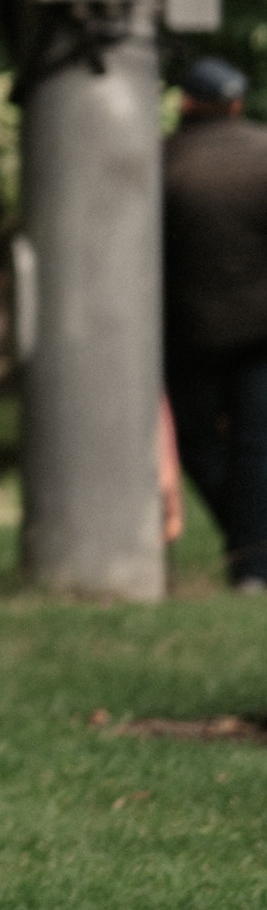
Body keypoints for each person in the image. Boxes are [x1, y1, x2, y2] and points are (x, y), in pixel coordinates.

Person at [161, 55, 267, 590]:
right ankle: (254, 560)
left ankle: (251, 551)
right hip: (260, 338)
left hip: (188, 336)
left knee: (199, 442)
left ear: (185, 103)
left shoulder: (162, 161)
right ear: (237, 104)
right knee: (256, 444)